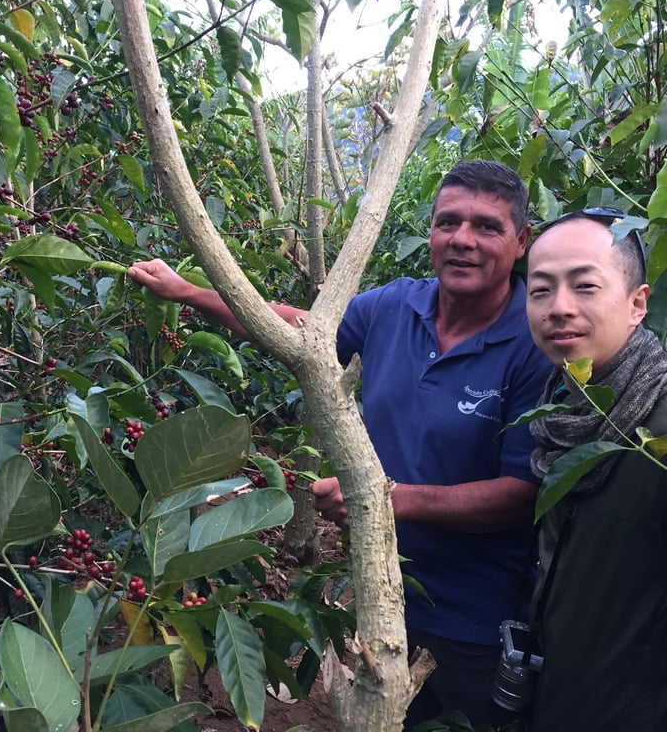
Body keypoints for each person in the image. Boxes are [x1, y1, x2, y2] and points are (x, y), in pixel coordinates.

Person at [129, 160, 551, 727]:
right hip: (380, 590)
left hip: (473, 619)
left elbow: (522, 492)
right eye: (447, 222)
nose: (462, 241)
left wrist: (385, 500)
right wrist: (186, 292)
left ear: (522, 241)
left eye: (487, 227)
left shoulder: (535, 340)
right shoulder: (396, 306)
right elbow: (301, 331)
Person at [524, 209, 667, 732]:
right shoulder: (561, 415)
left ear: (637, 304)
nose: (559, 308)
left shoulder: (659, 430)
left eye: (585, 286)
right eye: (540, 291)